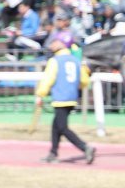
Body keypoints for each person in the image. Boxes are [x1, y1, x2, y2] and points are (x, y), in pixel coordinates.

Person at [36, 36, 95, 164]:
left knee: (62, 127)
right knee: (55, 125)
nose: (52, 44)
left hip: (60, 98)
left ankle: (85, 147)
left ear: (62, 44)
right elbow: (84, 81)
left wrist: (41, 94)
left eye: (55, 42)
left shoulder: (55, 61)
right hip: (72, 98)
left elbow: (48, 79)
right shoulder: (75, 60)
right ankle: (53, 153)